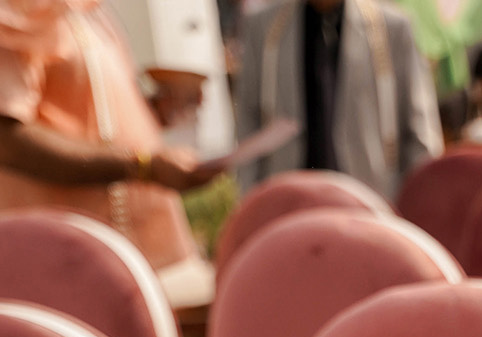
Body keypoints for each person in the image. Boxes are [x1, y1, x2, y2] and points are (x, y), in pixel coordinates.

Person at [0, 0, 223, 278]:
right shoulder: (15, 12)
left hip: (132, 259)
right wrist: (142, 166)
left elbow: (93, 117)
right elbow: (8, 141)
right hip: (67, 265)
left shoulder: (90, 12)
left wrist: (153, 110)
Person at [235, 0, 441, 199]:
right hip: (288, 200)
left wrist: (415, 205)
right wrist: (251, 200)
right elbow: (248, 123)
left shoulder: (391, 28)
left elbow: (420, 131)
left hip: (370, 199)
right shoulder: (266, 28)